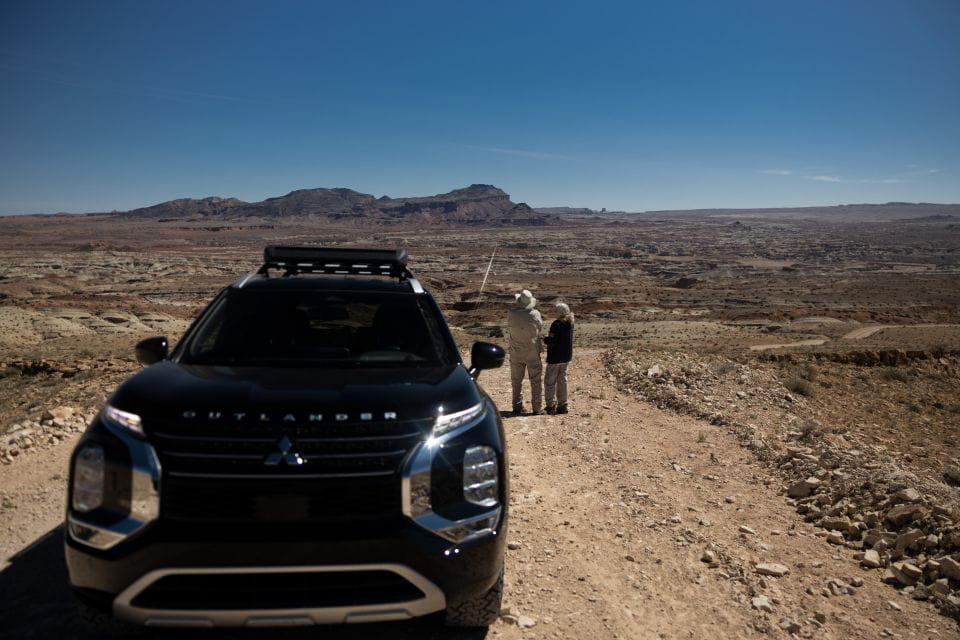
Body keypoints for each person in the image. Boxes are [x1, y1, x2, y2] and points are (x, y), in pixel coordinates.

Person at [507, 289, 543, 415]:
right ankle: (537, 408)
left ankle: (517, 407)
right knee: (535, 380)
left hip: (516, 352)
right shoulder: (535, 314)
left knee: (516, 381)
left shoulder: (511, 314)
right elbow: (540, 327)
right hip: (532, 351)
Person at [543, 302, 574, 415]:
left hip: (555, 357)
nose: (554, 312)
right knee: (562, 381)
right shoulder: (570, 323)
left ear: (559, 312)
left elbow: (552, 340)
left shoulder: (556, 324)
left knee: (550, 382)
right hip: (566, 357)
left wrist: (545, 339)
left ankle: (550, 406)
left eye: (555, 311)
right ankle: (563, 405)